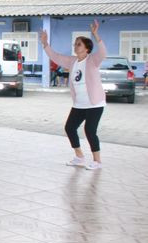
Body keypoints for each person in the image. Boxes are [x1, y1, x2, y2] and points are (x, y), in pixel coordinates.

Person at [40, 20, 106, 170]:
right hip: (79, 104)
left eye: (78, 44)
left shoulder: (93, 60)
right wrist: (45, 44)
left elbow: (103, 52)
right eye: (75, 44)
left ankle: (97, 161)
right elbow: (55, 56)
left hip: (94, 104)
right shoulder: (72, 61)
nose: (75, 46)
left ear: (87, 49)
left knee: (90, 130)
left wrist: (96, 35)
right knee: (70, 128)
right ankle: (79, 156)